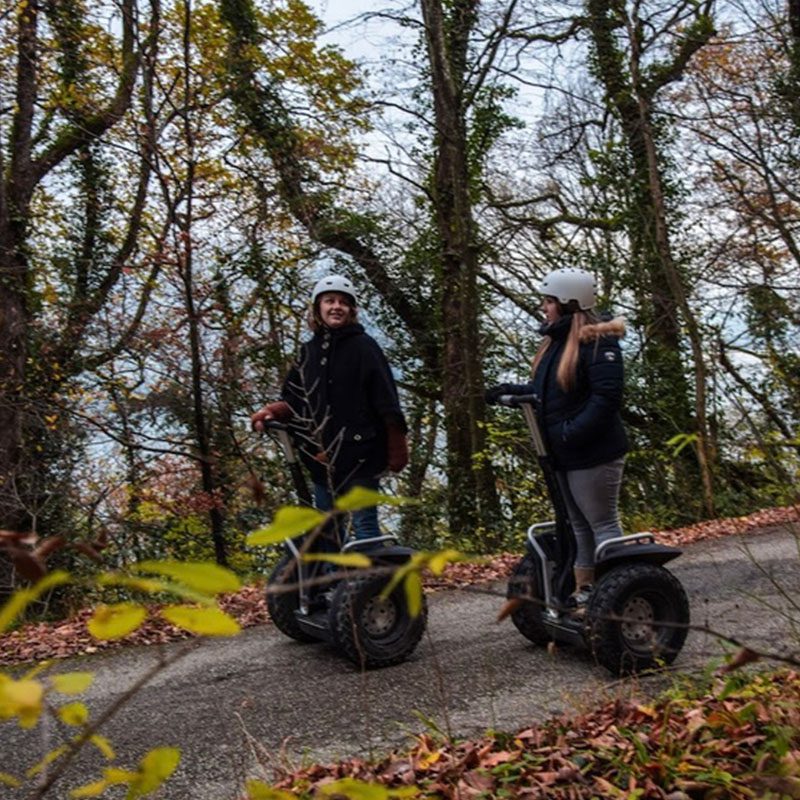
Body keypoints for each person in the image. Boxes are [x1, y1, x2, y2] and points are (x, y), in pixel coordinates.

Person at [486, 267, 629, 606]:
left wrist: (570, 432)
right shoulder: (556, 343)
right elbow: (546, 393)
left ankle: (621, 593)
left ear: (568, 304)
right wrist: (508, 391)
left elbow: (606, 397)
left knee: (602, 524)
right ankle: (587, 592)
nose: (543, 307)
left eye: (549, 301)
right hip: (565, 451)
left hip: (593, 452)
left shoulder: (597, 343)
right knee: (577, 524)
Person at [251, 274, 409, 547]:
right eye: (329, 301)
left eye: (343, 303)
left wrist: (396, 443)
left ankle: (374, 585)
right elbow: (296, 399)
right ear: (317, 308)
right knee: (328, 528)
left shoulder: (364, 347)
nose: (336, 306)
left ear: (351, 310)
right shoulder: (308, 352)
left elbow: (386, 398)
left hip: (362, 454)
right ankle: (337, 587)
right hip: (322, 457)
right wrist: (272, 412)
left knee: (364, 524)